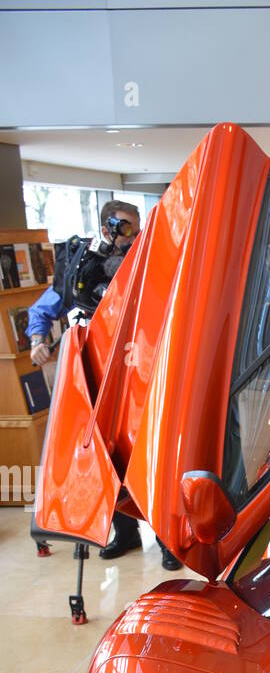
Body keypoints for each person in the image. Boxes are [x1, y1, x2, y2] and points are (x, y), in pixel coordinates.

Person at [27, 200, 181, 571]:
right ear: (107, 227)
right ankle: (124, 533)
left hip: (143, 375)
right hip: (97, 375)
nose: (131, 236)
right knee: (106, 456)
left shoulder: (149, 259)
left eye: (136, 227)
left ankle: (165, 539)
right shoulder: (85, 264)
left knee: (149, 455)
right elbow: (46, 307)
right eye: (125, 227)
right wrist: (37, 340)